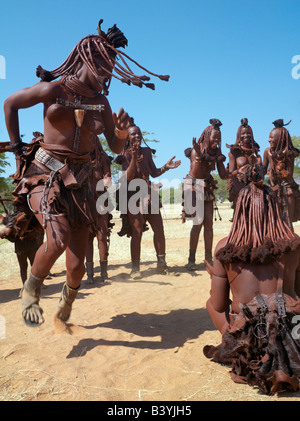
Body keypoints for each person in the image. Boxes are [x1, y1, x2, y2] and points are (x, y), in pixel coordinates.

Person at [3, 19, 169, 326]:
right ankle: (32, 289)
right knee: (57, 239)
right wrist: (16, 152)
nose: (107, 75)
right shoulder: (53, 90)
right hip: (45, 174)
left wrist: (119, 132)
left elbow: (116, 148)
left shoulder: (101, 102)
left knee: (77, 267)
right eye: (103, 68)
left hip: (80, 183)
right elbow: (10, 103)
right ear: (87, 61)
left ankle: (65, 306)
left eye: (111, 70)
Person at [203, 164, 300, 394]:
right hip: (292, 338)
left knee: (210, 302)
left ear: (239, 209)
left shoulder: (224, 247)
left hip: (250, 344)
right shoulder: (293, 243)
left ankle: (236, 346)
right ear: (275, 209)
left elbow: (218, 305)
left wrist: (221, 274)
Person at [115, 122, 181, 279]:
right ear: (128, 138)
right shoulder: (124, 154)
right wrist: (134, 158)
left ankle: (162, 264)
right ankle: (135, 268)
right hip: (133, 196)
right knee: (137, 231)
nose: (137, 136)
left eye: (138, 133)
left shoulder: (147, 151)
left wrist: (165, 167)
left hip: (149, 195)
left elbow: (153, 172)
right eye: (133, 134)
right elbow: (128, 177)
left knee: (159, 229)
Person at [182, 119, 227, 270]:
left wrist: (236, 172)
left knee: (209, 223)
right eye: (214, 137)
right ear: (207, 136)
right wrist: (200, 155)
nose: (217, 140)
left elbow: (223, 175)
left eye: (219, 138)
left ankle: (208, 259)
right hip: (194, 187)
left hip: (206, 187)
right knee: (197, 223)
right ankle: (191, 259)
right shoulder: (197, 151)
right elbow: (196, 174)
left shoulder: (217, 153)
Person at [85, 135, 114, 284]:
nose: (90, 143)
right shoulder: (81, 157)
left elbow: (107, 175)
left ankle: (104, 274)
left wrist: (107, 179)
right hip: (85, 203)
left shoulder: (103, 158)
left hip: (101, 200)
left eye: (92, 140)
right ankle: (89, 275)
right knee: (87, 238)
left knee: (102, 236)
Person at [263, 119, 300, 229]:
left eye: (272, 138)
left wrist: (281, 170)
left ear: (279, 139)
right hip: (273, 189)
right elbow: (263, 171)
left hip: (287, 188)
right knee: (273, 220)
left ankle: (290, 244)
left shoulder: (288, 153)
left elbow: (289, 175)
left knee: (287, 220)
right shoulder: (267, 152)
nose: (269, 140)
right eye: (269, 137)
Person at [226, 118, 262, 211]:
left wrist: (257, 163)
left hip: (255, 188)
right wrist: (240, 189)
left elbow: (261, 173)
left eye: (248, 133)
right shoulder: (234, 152)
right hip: (239, 188)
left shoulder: (255, 152)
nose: (246, 135)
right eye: (243, 133)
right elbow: (231, 174)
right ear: (239, 135)